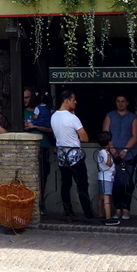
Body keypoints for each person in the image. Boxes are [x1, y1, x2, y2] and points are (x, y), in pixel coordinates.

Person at [50, 89, 96, 222]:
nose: (76, 102)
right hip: (74, 155)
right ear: (67, 100)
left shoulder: (54, 116)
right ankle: (88, 214)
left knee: (66, 184)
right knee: (82, 185)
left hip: (62, 156)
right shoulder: (72, 118)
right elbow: (85, 138)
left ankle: (68, 212)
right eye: (73, 99)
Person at [102, 93, 137, 219]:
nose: (120, 103)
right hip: (113, 155)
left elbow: (135, 136)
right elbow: (105, 134)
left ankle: (126, 208)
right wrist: (112, 149)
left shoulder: (132, 117)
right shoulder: (110, 116)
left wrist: (125, 150)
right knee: (115, 182)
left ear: (127, 103)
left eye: (123, 101)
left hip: (130, 155)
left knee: (127, 183)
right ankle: (117, 208)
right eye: (118, 101)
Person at [23, 87, 54, 211]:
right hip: (27, 148)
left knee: (43, 175)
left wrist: (35, 126)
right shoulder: (22, 112)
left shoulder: (44, 110)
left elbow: (51, 129)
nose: (24, 100)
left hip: (43, 146)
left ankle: (40, 204)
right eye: (23, 97)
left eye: (27, 97)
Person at [96, 131, 120, 226]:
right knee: (106, 197)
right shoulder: (105, 153)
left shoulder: (100, 152)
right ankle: (108, 217)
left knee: (101, 196)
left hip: (102, 176)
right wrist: (110, 155)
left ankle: (100, 214)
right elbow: (108, 164)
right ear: (109, 142)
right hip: (106, 177)